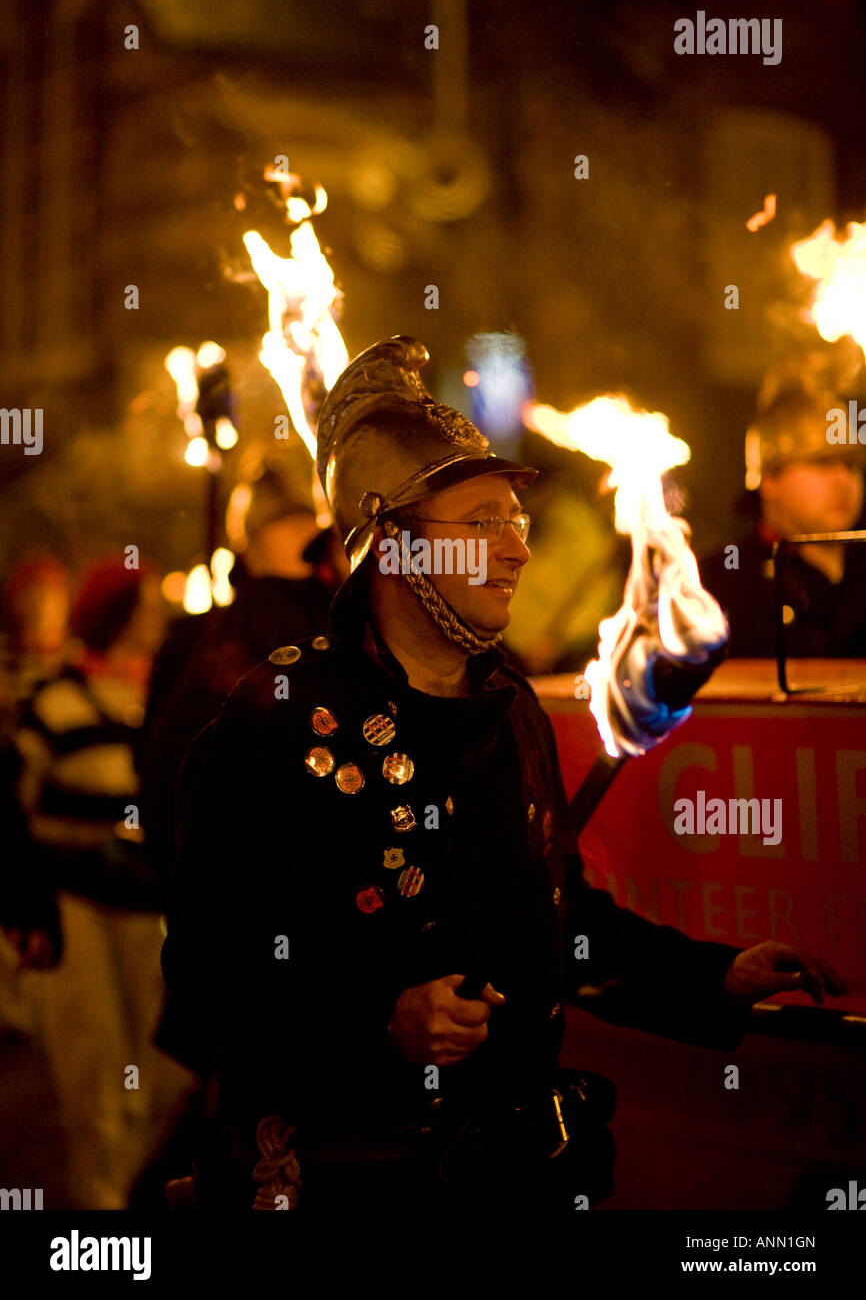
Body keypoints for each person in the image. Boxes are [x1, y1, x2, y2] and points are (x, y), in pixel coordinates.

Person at [160, 336, 845, 1217]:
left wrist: (714, 975)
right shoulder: (276, 721)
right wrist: (381, 1023)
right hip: (354, 1191)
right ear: (394, 547)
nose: (514, 551)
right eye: (479, 524)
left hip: (510, 1182)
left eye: (513, 524)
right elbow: (211, 975)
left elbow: (560, 923)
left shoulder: (510, 710)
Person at [9, 558, 195, 1207]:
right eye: (143, 604)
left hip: (147, 905)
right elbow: (16, 811)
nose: (155, 617)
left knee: (155, 1069)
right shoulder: (56, 700)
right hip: (76, 903)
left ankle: (135, 1193)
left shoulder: (166, 698)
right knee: (95, 1072)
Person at [138, 456, 344, 892]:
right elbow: (163, 762)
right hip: (234, 880)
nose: (299, 535)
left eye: (303, 522)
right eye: (283, 525)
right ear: (251, 542)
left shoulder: (344, 626)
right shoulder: (199, 640)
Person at [700, 378, 866, 658]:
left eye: (851, 464)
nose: (843, 479)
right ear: (769, 479)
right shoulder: (719, 584)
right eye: (822, 462)